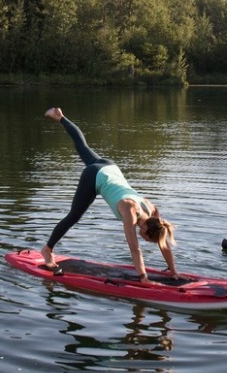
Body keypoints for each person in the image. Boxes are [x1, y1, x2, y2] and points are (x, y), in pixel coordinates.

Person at [40, 107, 180, 282]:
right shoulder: (131, 210)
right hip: (94, 176)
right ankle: (47, 249)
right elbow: (134, 248)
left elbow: (164, 244)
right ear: (144, 229)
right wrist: (143, 277)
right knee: (74, 216)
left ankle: (60, 116)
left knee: (83, 146)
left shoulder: (153, 213)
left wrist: (174, 271)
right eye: (146, 239)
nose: (144, 240)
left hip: (110, 167)